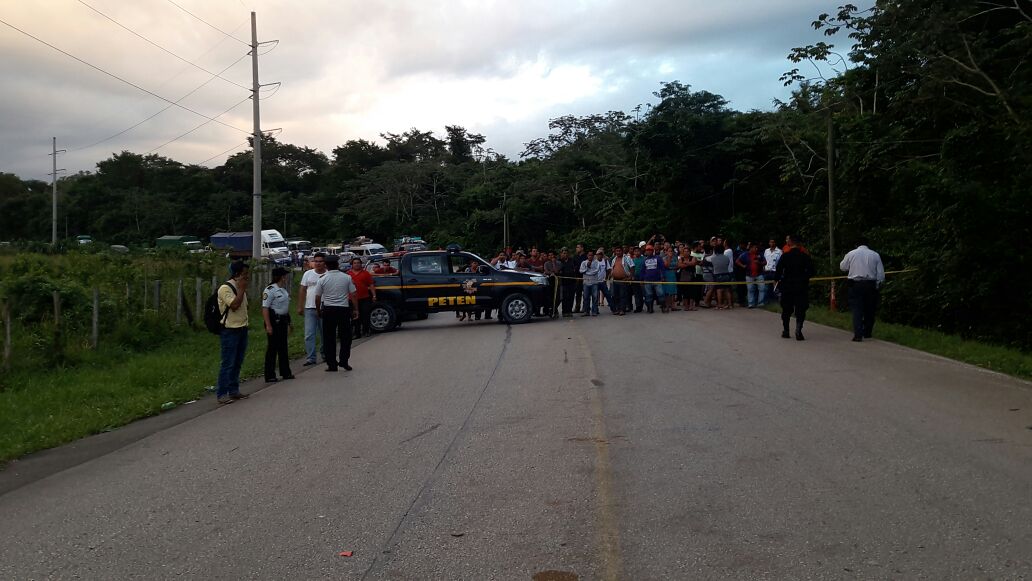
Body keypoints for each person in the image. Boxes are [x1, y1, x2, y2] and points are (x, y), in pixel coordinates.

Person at [216, 261, 251, 405]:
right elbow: (235, 305)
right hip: (230, 330)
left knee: (237, 362)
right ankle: (222, 393)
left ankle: (234, 390)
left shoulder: (240, 287)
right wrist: (241, 289)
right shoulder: (225, 288)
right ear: (237, 274)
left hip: (242, 328)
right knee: (228, 362)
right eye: (244, 274)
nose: (247, 277)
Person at [315, 256, 358, 372]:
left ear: (326, 266)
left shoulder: (322, 279)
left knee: (329, 338)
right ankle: (344, 361)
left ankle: (332, 364)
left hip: (328, 310)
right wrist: (356, 309)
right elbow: (353, 294)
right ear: (338, 265)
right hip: (343, 309)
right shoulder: (347, 277)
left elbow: (317, 297)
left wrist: (318, 310)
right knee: (346, 337)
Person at [840, 237, 886, 342]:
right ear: (867, 244)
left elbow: (842, 267)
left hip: (855, 284)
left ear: (857, 244)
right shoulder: (875, 255)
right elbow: (881, 274)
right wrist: (877, 285)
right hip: (870, 284)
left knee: (857, 309)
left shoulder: (851, 253)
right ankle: (867, 332)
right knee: (870, 309)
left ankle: (858, 334)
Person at [776, 234, 815, 340]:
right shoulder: (805, 256)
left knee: (786, 309)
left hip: (787, 285)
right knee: (801, 308)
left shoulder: (785, 256)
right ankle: (798, 330)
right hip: (801, 286)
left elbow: (778, 271)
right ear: (799, 244)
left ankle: (786, 330)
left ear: (790, 243)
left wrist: (777, 281)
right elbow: (812, 271)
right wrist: (804, 278)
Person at [262, 267, 294, 383]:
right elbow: (265, 308)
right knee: (272, 348)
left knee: (283, 347)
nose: (286, 278)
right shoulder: (270, 290)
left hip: (283, 320)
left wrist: (289, 322)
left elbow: (285, 308)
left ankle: (285, 372)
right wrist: (268, 325)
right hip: (274, 321)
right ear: (281, 277)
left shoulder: (283, 291)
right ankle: (269, 374)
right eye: (285, 276)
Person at [297, 252, 327, 366]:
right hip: (310, 308)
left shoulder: (328, 274)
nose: (318, 263)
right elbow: (302, 290)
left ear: (325, 263)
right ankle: (311, 357)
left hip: (324, 307)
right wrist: (300, 305)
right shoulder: (308, 274)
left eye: (320, 261)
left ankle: (325, 354)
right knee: (309, 334)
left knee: (324, 333)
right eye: (316, 261)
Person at [349, 257, 377, 338]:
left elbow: (371, 284)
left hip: (364, 298)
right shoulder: (348, 274)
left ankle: (366, 331)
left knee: (365, 315)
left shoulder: (366, 273)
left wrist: (374, 295)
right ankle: (357, 333)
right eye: (355, 263)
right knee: (355, 316)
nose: (356, 264)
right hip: (352, 299)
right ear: (352, 264)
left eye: (358, 263)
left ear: (361, 264)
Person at [579, 249, 610, 316]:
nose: (590, 256)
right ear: (587, 256)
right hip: (586, 283)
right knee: (586, 297)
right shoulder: (584, 263)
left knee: (595, 297)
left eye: (591, 255)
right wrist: (587, 267)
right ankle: (586, 311)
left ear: (593, 256)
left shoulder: (596, 263)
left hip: (594, 283)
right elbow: (581, 271)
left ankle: (594, 311)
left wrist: (586, 272)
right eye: (589, 255)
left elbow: (596, 271)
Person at [639, 244, 666, 313]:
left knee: (661, 294)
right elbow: (642, 271)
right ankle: (650, 308)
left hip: (657, 280)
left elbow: (662, 268)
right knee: (649, 295)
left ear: (652, 251)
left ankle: (663, 307)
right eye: (647, 250)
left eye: (650, 250)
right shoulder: (644, 260)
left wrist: (663, 276)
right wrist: (641, 280)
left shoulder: (658, 258)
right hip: (647, 280)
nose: (648, 251)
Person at [739, 243, 767, 308]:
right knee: (750, 290)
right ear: (751, 248)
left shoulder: (759, 254)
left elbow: (765, 262)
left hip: (759, 274)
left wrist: (759, 263)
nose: (756, 249)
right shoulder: (745, 254)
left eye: (756, 248)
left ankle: (760, 303)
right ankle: (751, 304)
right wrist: (743, 266)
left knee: (762, 289)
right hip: (749, 275)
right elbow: (737, 261)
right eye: (755, 248)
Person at [609, 246, 634, 315]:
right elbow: (612, 268)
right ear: (615, 252)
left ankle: (622, 310)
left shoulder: (627, 258)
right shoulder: (614, 259)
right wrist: (611, 275)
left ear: (622, 251)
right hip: (615, 280)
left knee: (623, 295)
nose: (618, 252)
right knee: (616, 295)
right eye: (617, 251)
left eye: (619, 251)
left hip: (623, 280)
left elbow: (632, 266)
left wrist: (630, 277)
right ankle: (618, 309)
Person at [556, 248, 579, 317]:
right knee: (564, 297)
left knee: (571, 297)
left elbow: (576, 268)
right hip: (563, 282)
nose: (565, 255)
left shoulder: (572, 260)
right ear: (561, 254)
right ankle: (565, 311)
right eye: (563, 253)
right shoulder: (559, 261)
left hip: (572, 282)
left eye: (566, 253)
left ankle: (569, 311)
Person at [763, 238, 782, 302]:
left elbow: (781, 262)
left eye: (773, 242)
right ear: (769, 243)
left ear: (775, 243)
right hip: (766, 271)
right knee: (766, 287)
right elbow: (764, 260)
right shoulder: (766, 251)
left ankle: (777, 300)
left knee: (775, 287)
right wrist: (763, 268)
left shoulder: (779, 251)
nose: (772, 243)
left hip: (775, 271)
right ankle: (767, 300)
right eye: (770, 242)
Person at [572, 243, 587, 313]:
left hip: (585, 277)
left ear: (582, 248)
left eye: (578, 247)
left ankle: (585, 307)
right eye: (576, 247)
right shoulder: (575, 257)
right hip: (577, 277)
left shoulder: (586, 256)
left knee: (585, 293)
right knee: (578, 293)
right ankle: (577, 307)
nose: (576, 249)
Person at [630, 246, 645, 312]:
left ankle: (647, 305)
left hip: (643, 277)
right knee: (636, 293)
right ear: (633, 252)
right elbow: (631, 269)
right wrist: (632, 276)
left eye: (638, 251)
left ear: (640, 252)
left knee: (643, 292)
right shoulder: (632, 260)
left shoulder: (644, 259)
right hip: (635, 278)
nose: (637, 252)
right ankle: (638, 307)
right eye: (635, 251)